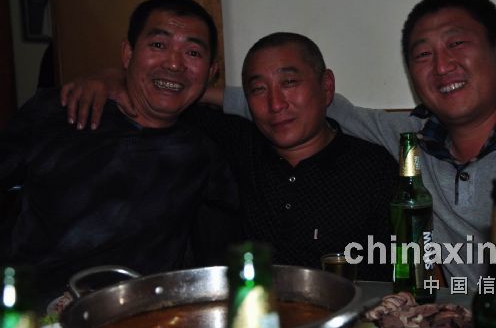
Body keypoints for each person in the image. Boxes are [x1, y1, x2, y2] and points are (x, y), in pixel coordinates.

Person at [218, 0, 496, 314]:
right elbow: (304, 108)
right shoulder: (412, 139)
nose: (442, 66)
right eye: (423, 54)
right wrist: (194, 90)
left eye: (456, 44)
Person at [61, 32, 398, 280]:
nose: (275, 104)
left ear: (326, 87)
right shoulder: (237, 143)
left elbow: (398, 278)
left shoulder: (374, 169)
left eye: (289, 82)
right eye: (258, 89)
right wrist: (112, 77)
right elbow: (167, 100)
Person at [0, 0, 237, 305]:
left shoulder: (205, 152)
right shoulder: (60, 112)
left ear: (211, 71)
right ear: (128, 53)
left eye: (192, 52)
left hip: (135, 315)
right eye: (158, 45)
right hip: (30, 311)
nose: (174, 63)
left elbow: (217, 262)